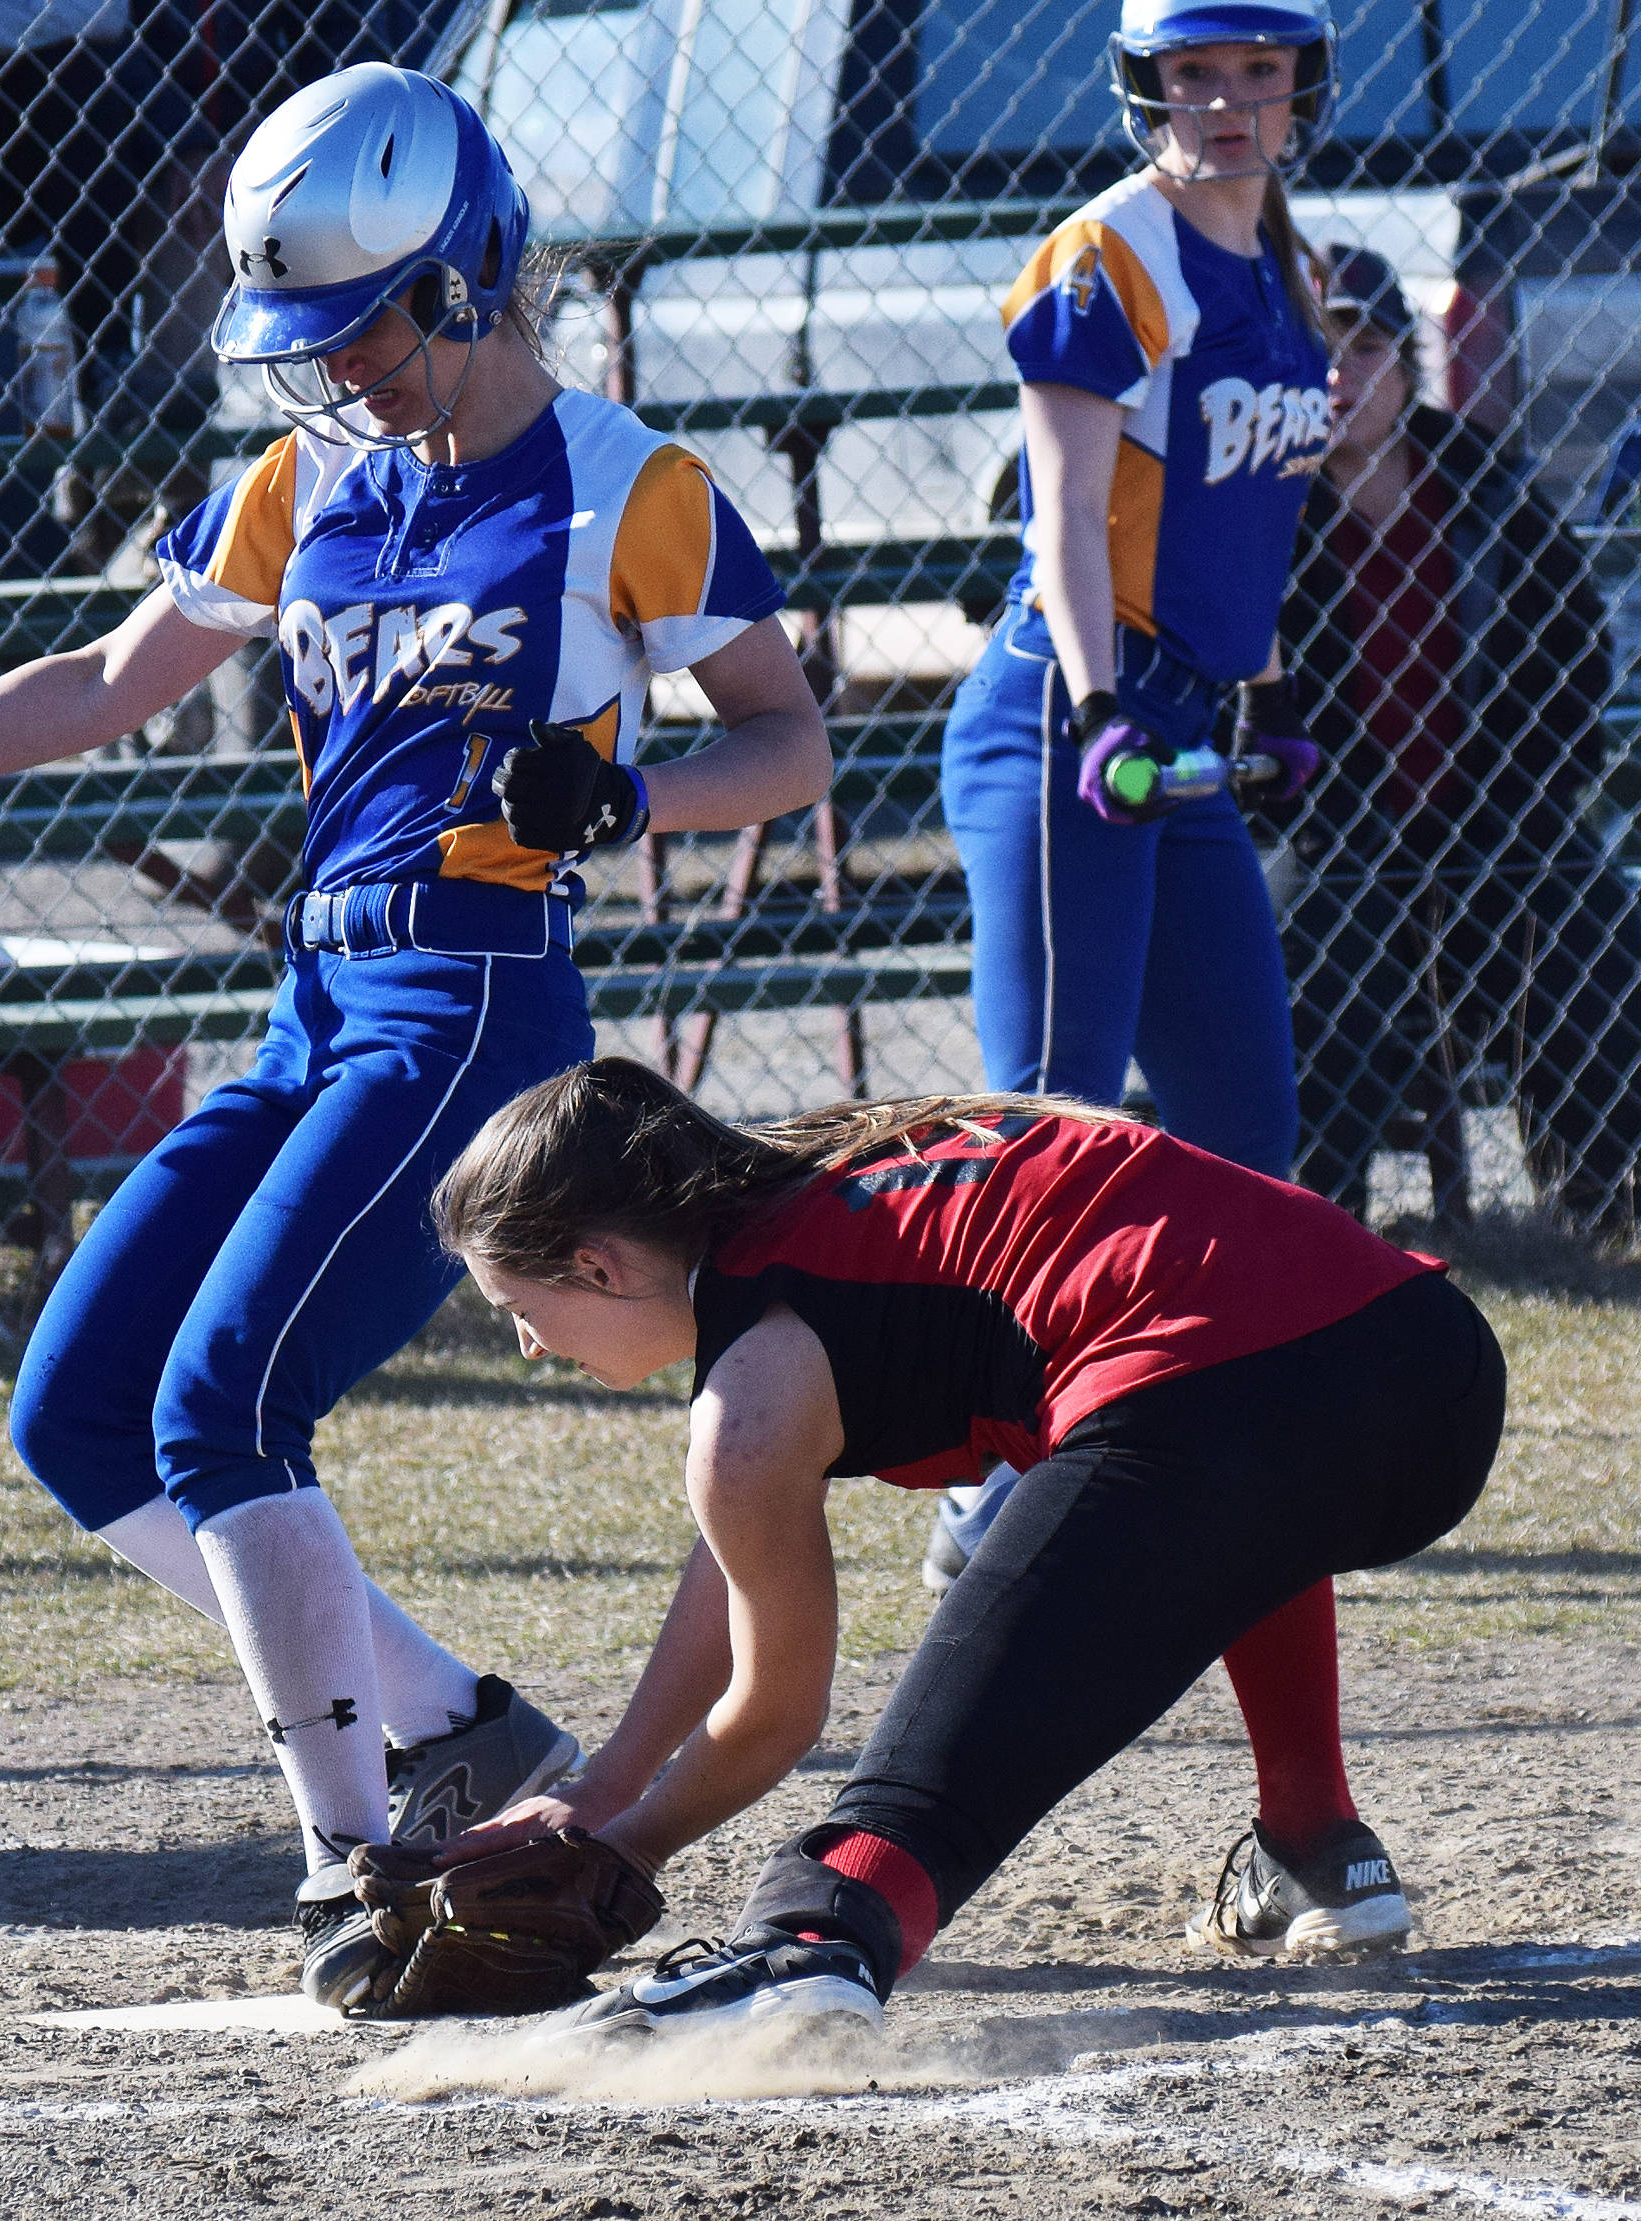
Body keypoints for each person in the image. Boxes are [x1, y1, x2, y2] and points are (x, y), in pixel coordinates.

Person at [0, 64, 830, 2003]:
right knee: (80, 1412)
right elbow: (102, 682)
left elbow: (785, 739)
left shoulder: (627, 485)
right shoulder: (311, 483)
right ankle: (455, 1731)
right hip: (321, 995)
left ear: (466, 282)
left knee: (219, 1413)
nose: (333, 368)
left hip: (470, 998)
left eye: (360, 322)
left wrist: (631, 803)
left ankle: (357, 1865)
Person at [428, 1057, 1504, 2027]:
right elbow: (738, 1552)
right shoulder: (832, 1178)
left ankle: (817, 1939)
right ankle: (1313, 1843)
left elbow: (773, 1713)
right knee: (1238, 1478)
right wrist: (603, 1787)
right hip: (1431, 1367)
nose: (527, 1345)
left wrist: (625, 1851)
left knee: (1192, 1467)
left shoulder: (753, 1388)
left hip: (1230, 1404)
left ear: (600, 1265)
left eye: (519, 1306)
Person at [918, 3, 1365, 1860]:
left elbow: (1252, 520)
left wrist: (1232, 713)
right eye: (1198, 78)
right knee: (1054, 1122)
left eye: (1260, 77)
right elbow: (1068, 512)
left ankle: (1175, 1465)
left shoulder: (1300, 265)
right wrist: (1114, 707)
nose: (1230, 106)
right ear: (1147, 94)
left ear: (1299, 95)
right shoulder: (1107, 250)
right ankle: (973, 1475)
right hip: (1071, 725)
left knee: (1245, 1143)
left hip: (1181, 731)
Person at [1270, 247, 1641, 1235]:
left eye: (1363, 346)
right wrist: (1320, 813)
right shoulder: (1262, 512)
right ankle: (1315, 1227)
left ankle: (1601, 1211)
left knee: (1594, 926)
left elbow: (1572, 656)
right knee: (1304, 960)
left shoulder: (1488, 490)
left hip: (1491, 817)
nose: (1338, 375)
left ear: (1405, 361)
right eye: (1314, 350)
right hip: (1336, 833)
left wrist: (1520, 795)